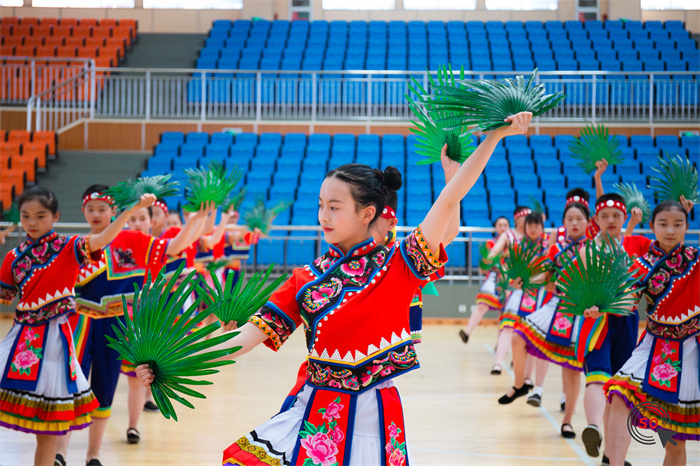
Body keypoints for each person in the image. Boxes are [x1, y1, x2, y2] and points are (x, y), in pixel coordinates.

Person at [135, 112, 534, 466]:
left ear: (368, 213)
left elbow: (448, 205)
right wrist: (176, 361)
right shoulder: (304, 278)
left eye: (335, 207)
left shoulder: (399, 264)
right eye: (321, 205)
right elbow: (244, 339)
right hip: (316, 409)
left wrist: (492, 139)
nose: (324, 216)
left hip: (375, 414)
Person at [0, 186, 154, 466]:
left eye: (40, 216)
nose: (32, 223)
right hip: (23, 341)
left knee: (48, 422)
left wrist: (129, 212)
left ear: (55, 216)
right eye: (25, 216)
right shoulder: (13, 258)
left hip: (58, 338)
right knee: (38, 421)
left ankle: (84, 454)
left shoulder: (69, 247)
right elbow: (4, 295)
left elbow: (103, 239)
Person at [54, 185, 204, 465]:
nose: (96, 214)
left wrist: (195, 220)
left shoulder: (133, 240)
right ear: (83, 212)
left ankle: (93, 454)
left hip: (117, 327)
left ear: (114, 211)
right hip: (80, 325)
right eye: (91, 209)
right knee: (70, 388)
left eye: (103, 208)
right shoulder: (77, 245)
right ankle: (60, 453)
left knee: (105, 389)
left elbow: (172, 248)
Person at [602, 200, 698, 466]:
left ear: (687, 226)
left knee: (674, 442)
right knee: (619, 396)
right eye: (663, 224)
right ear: (651, 227)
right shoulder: (641, 266)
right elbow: (626, 303)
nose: (670, 230)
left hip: (689, 351)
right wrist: (600, 307)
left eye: (678, 224)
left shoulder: (697, 259)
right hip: (653, 347)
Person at [499, 199, 591, 438]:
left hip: (581, 311)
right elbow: (547, 277)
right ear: (563, 224)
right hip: (556, 305)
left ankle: (568, 421)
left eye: (579, 219)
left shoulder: (595, 247)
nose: (574, 223)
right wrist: (524, 281)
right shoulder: (557, 250)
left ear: (588, 222)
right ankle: (521, 384)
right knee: (518, 335)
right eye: (569, 219)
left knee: (571, 370)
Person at [576, 193, 654, 463]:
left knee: (620, 391)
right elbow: (581, 289)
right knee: (597, 376)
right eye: (605, 216)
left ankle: (612, 454)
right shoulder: (587, 251)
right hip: (596, 321)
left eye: (616, 216)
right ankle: (594, 426)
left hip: (627, 320)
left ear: (626, 218)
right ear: (595, 219)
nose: (610, 220)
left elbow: (668, 249)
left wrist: (683, 213)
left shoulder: (638, 244)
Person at [458, 216, 510, 344]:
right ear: (495, 228)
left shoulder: (514, 244)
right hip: (493, 278)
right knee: (482, 305)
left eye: (505, 225)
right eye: (500, 225)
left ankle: (501, 343)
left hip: (510, 280)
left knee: (504, 313)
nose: (503, 227)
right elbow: (484, 266)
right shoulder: (490, 244)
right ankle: (467, 332)